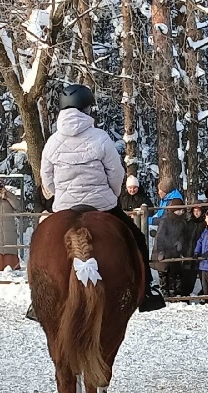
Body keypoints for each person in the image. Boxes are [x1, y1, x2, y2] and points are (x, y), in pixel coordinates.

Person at [37, 83, 165, 315]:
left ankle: (38, 299)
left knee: (41, 243)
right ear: (87, 109)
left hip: (65, 208)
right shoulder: (100, 138)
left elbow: (47, 180)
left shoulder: (52, 142)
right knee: (136, 238)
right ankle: (148, 290)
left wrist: (61, 195)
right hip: (101, 205)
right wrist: (111, 195)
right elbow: (116, 174)